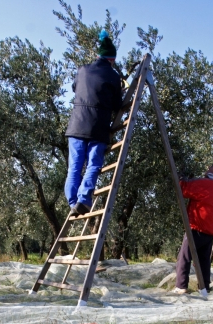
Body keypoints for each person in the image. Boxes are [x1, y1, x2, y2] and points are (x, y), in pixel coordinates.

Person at [64, 30, 123, 216]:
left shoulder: (82, 70)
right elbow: (118, 105)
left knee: (74, 166)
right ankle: (83, 200)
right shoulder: (114, 76)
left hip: (76, 126)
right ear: (112, 59)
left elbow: (75, 88)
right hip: (98, 127)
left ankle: (73, 202)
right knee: (93, 165)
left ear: (98, 55)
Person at [174, 160, 213, 294]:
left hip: (197, 227)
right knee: (203, 261)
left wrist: (182, 179)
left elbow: (184, 189)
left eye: (211, 166)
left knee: (184, 257)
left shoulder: (207, 184)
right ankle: (204, 288)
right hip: (209, 230)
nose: (208, 168)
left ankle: (181, 287)